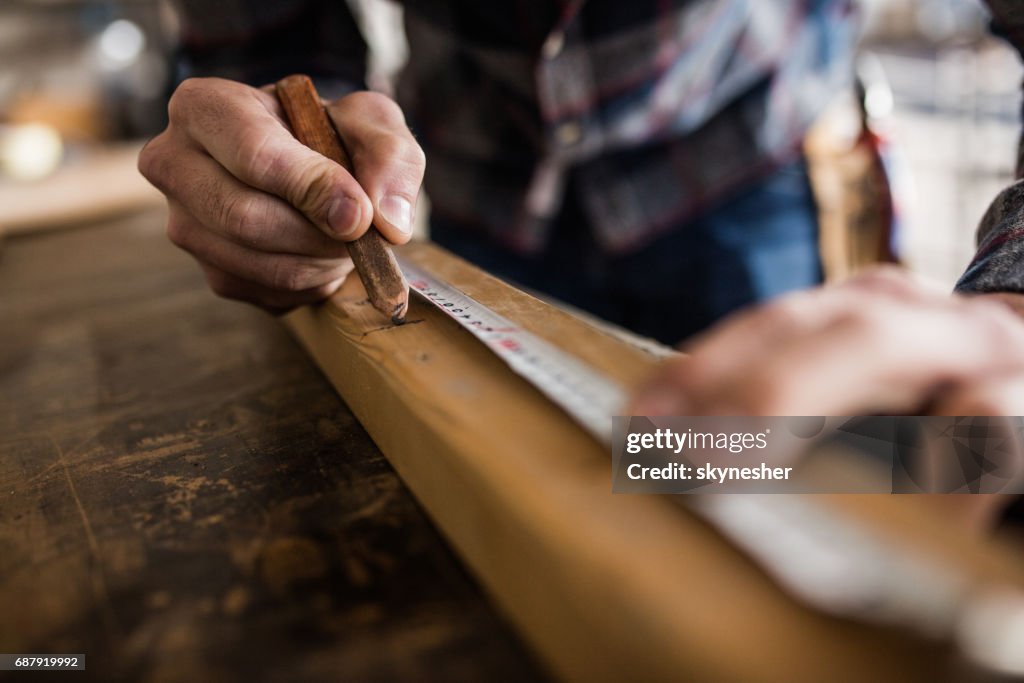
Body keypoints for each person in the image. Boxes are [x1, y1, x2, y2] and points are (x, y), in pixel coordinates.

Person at [139, 0, 1024, 423]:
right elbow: (272, 43)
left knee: (747, 465)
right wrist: (288, 152)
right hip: (486, 182)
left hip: (745, 157)